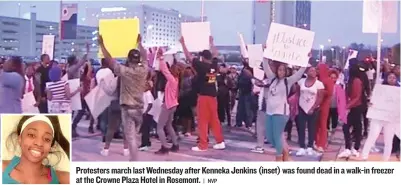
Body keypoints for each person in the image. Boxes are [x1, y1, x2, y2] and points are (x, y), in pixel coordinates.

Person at [98, 34, 148, 161]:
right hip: (139, 108)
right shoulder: (143, 71)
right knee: (134, 136)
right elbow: (146, 56)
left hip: (127, 107)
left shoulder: (124, 71)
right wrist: (140, 44)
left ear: (128, 59)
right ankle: (133, 157)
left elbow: (109, 60)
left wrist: (102, 44)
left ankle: (134, 161)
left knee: (130, 137)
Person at [180, 36, 225, 151]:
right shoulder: (214, 65)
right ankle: (220, 142)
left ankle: (203, 145)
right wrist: (211, 42)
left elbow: (189, 57)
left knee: (202, 120)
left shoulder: (202, 66)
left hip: (204, 96)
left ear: (203, 58)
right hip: (213, 96)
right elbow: (215, 53)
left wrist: (183, 43)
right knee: (214, 120)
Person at [2, 115, 70, 184]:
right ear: (20, 139)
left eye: (47, 139)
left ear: (51, 146)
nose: (39, 143)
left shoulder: (64, 179)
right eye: (31, 135)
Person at [263, 60, 306, 161]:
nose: (281, 72)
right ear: (277, 71)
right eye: (280, 70)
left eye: (283, 70)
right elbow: (266, 66)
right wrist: (265, 54)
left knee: (277, 136)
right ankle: (285, 152)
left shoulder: (288, 81)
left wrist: (305, 60)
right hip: (269, 111)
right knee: (269, 136)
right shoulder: (272, 79)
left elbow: (299, 74)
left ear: (286, 71)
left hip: (281, 113)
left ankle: (279, 158)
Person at [361, 72, 400, 161]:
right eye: (390, 77)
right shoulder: (379, 89)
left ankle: (385, 159)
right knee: (372, 135)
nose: (392, 79)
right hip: (378, 116)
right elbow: (372, 99)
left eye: (394, 78)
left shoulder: (399, 91)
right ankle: (364, 156)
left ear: (396, 79)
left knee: (389, 140)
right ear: (386, 78)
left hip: (391, 118)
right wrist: (371, 103)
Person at [338, 59, 367, 158]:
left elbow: (357, 97)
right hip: (353, 106)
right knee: (355, 127)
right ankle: (352, 148)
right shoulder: (350, 80)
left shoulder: (357, 81)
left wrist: (347, 107)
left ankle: (352, 148)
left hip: (357, 106)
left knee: (352, 127)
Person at [155, 49, 182, 155]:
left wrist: (161, 58)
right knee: (168, 125)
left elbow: (164, 70)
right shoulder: (177, 79)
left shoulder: (171, 80)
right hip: (173, 104)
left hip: (168, 105)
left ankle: (164, 147)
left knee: (159, 127)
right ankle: (175, 144)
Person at [296, 66, 324, 156]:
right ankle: (301, 147)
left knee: (312, 128)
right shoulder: (300, 82)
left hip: (313, 109)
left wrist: (313, 108)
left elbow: (320, 97)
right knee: (301, 127)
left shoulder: (319, 84)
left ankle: (310, 146)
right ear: (307, 72)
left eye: (314, 71)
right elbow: (297, 94)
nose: (312, 72)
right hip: (301, 108)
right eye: (310, 70)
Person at [315, 63, 334, 152]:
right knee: (316, 124)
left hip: (324, 104)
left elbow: (330, 93)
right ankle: (316, 141)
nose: (317, 71)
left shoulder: (328, 80)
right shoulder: (318, 79)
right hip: (317, 104)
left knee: (322, 124)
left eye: (318, 69)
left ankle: (322, 144)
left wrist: (321, 92)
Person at [327, 70, 347, 135]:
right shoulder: (326, 85)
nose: (333, 79)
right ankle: (327, 131)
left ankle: (333, 129)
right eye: (331, 77)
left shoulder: (339, 86)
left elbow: (342, 98)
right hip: (327, 106)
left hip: (335, 106)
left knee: (334, 119)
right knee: (327, 119)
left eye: (334, 77)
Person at [236, 57, 254, 129]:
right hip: (242, 91)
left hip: (247, 91)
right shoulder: (244, 69)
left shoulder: (251, 69)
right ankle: (239, 122)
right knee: (241, 108)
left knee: (247, 109)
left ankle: (248, 123)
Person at [139, 81, 155, 151]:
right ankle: (147, 143)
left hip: (147, 114)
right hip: (144, 113)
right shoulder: (143, 93)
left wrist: (146, 112)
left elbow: (150, 104)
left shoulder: (148, 93)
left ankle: (144, 144)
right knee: (145, 129)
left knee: (145, 130)